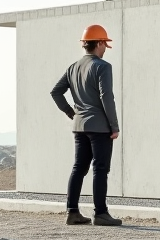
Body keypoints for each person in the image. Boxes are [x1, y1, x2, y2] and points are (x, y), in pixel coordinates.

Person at [50, 24, 123, 227]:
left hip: (79, 126)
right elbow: (106, 96)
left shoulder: (73, 67)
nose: (104, 49)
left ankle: (72, 212)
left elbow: (56, 92)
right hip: (100, 127)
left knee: (78, 168)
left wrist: (71, 112)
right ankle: (100, 213)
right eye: (104, 45)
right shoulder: (102, 66)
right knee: (100, 169)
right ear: (99, 43)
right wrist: (114, 125)